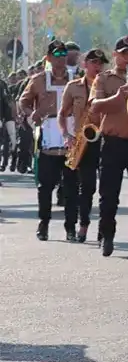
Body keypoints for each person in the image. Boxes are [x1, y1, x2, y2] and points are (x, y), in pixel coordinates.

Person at [20, 40, 79, 241]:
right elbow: (24, 101)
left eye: (63, 55)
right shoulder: (38, 80)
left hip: (72, 137)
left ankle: (71, 227)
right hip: (47, 136)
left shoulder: (76, 79)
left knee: (71, 187)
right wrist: (32, 114)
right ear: (49, 58)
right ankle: (43, 223)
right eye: (56, 55)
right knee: (45, 186)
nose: (61, 58)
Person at [90, 35, 128, 258]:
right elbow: (95, 106)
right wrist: (118, 97)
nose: (127, 58)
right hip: (112, 142)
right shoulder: (104, 79)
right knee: (108, 194)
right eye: (123, 54)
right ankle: (107, 235)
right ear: (115, 55)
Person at [59, 48, 108, 243]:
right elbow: (62, 114)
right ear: (84, 65)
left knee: (104, 188)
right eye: (93, 62)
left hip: (104, 139)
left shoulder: (108, 85)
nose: (97, 66)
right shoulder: (73, 86)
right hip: (83, 140)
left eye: (100, 63)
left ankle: (103, 229)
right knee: (85, 186)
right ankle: (82, 224)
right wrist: (65, 135)